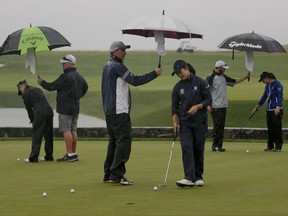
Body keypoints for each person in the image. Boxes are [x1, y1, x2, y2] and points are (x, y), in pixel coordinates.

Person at [102, 41, 162, 185]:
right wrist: (154, 73)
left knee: (114, 142)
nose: (125, 53)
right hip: (119, 110)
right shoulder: (118, 66)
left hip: (110, 111)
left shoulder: (107, 65)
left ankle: (109, 173)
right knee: (123, 142)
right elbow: (135, 80)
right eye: (123, 50)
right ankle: (116, 174)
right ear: (115, 51)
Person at [37, 54, 88, 162]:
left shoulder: (65, 76)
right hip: (75, 107)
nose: (62, 65)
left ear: (70, 64)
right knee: (73, 130)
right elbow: (85, 87)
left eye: (64, 63)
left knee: (66, 130)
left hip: (65, 108)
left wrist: (42, 82)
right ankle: (73, 153)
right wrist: (78, 96)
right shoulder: (79, 76)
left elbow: (52, 87)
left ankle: (69, 154)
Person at [171, 60, 212, 187]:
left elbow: (208, 99)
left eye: (180, 72)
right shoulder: (178, 87)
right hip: (185, 123)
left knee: (198, 149)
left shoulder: (201, 82)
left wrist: (198, 107)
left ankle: (198, 176)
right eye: (177, 73)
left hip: (200, 121)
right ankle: (188, 177)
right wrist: (175, 122)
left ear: (186, 68)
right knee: (187, 148)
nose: (179, 75)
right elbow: (174, 107)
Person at [206, 60, 250, 152]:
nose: (224, 70)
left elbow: (234, 81)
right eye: (223, 68)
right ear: (218, 68)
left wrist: (246, 77)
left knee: (221, 126)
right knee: (217, 126)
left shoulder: (223, 77)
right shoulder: (211, 78)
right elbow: (206, 92)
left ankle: (219, 145)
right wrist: (208, 105)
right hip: (215, 106)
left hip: (223, 105)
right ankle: (215, 146)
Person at [17, 80, 54, 163]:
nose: (21, 92)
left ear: (22, 86)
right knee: (48, 134)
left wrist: (32, 119)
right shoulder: (37, 89)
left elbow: (29, 109)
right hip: (49, 111)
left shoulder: (26, 93)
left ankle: (33, 157)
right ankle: (49, 156)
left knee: (37, 134)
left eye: (20, 89)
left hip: (40, 113)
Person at [251, 72, 283, 152]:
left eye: (263, 80)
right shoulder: (267, 87)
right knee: (270, 128)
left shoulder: (277, 84)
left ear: (267, 78)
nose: (262, 82)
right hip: (269, 110)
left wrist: (278, 106)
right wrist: (256, 107)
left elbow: (280, 96)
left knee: (277, 128)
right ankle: (270, 146)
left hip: (276, 109)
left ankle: (278, 146)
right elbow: (264, 97)